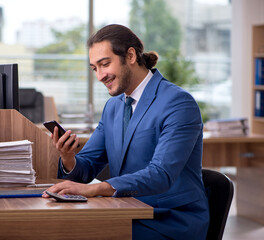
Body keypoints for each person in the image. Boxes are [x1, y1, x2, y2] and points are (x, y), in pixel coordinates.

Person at [43, 24, 209, 240]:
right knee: (57, 227)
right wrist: (69, 159)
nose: (100, 76)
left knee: (77, 233)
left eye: (105, 64)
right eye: (95, 68)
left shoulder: (177, 103)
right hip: (125, 210)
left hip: (169, 220)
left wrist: (97, 189)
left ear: (130, 55)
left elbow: (161, 174)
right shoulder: (113, 107)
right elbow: (89, 165)